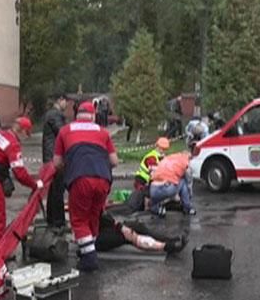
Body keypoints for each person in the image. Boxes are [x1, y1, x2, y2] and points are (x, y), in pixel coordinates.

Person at [53, 101, 118, 271]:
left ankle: (89, 258)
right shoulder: (103, 132)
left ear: (76, 115)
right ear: (93, 116)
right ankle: (88, 248)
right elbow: (114, 161)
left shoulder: (65, 131)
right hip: (103, 179)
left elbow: (57, 163)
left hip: (80, 178)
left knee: (79, 219)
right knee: (93, 216)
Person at [95, 212, 188, 254]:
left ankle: (169, 239)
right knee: (127, 236)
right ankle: (169, 246)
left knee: (137, 226)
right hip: (93, 237)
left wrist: (120, 226)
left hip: (98, 227)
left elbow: (102, 215)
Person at [42, 93, 68, 229]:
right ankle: (58, 221)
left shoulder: (51, 114)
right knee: (57, 190)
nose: (67, 105)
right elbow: (63, 133)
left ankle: (52, 219)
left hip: (50, 156)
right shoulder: (55, 115)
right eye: (66, 101)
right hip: (55, 157)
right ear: (60, 100)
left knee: (53, 191)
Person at [149, 152, 196, 217]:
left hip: (153, 189)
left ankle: (158, 209)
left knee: (153, 203)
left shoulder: (168, 158)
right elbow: (189, 182)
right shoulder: (185, 162)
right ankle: (187, 208)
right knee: (183, 182)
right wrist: (190, 194)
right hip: (167, 188)